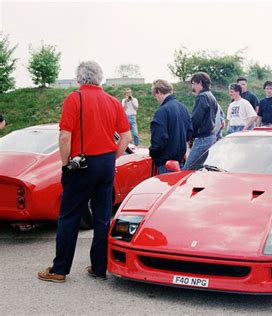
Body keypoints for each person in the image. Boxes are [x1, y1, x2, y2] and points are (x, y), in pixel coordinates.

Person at [38, 61, 131, 282]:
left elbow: (64, 136)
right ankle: (99, 267)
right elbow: (126, 137)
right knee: (102, 217)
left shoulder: (74, 98)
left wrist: (64, 164)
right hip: (106, 164)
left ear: (79, 78)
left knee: (69, 216)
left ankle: (60, 269)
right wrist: (111, 157)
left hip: (81, 165)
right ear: (99, 78)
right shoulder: (112, 101)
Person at [149, 79, 193, 175]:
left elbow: (159, 138)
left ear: (158, 92)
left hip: (166, 161)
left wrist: (153, 153)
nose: (156, 98)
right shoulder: (183, 108)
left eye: (155, 95)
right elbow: (189, 133)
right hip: (180, 159)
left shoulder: (162, 111)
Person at [183, 72, 218, 170]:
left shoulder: (202, 97)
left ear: (200, 83)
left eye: (194, 84)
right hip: (211, 137)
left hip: (203, 138)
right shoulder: (211, 96)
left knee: (187, 170)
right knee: (199, 170)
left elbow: (196, 119)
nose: (192, 87)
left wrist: (189, 135)